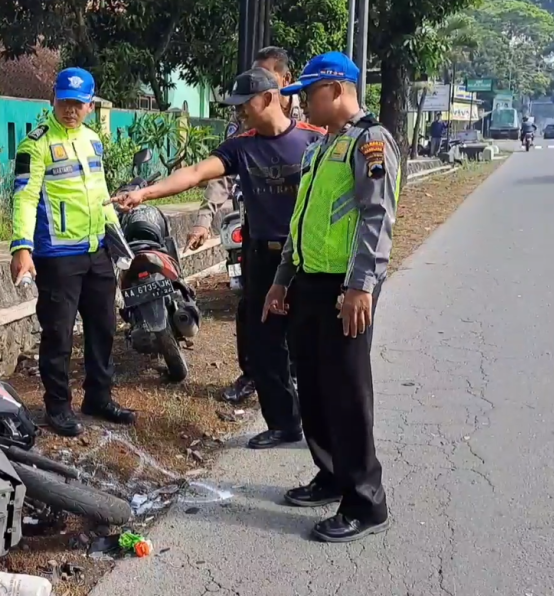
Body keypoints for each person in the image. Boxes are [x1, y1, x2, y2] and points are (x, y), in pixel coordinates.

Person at [112, 67, 324, 449]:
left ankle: (321, 428)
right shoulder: (241, 145)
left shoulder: (315, 140)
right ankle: (284, 425)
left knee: (309, 345)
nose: (240, 113)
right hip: (260, 257)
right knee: (265, 346)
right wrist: (145, 194)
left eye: (245, 105)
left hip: (306, 259)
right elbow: (194, 173)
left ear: (268, 98)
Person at [263, 52, 399, 543]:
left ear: (338, 89)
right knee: (315, 385)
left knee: (346, 391)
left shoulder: (370, 143)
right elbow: (302, 221)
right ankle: (330, 473)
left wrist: (361, 286)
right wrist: (282, 279)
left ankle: (366, 501)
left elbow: (376, 219)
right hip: (309, 283)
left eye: (308, 94)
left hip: (347, 286)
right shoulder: (322, 148)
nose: (300, 104)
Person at [10, 67, 137, 437]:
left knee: (104, 328)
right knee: (59, 334)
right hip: (56, 256)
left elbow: (100, 195)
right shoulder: (35, 144)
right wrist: (22, 247)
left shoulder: (92, 141)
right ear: (54, 98)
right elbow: (24, 198)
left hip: (96, 251)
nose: (70, 110)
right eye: (65, 101)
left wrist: (118, 242)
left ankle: (98, 396)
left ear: (90, 105)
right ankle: (58, 406)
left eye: (78, 104)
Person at [187, 47, 309, 404]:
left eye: (267, 78)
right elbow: (217, 173)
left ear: (283, 83)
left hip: (300, 242)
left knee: (303, 321)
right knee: (252, 312)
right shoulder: (244, 125)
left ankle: (302, 388)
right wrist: (203, 220)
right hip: (255, 229)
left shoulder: (310, 127)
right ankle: (255, 376)